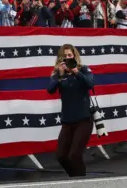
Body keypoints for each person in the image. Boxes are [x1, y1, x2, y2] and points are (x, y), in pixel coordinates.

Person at [47, 44, 94, 177]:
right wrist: (60, 75)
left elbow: (90, 84)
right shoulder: (57, 73)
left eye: (69, 55)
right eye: (64, 56)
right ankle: (75, 178)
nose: (67, 58)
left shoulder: (83, 69)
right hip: (67, 121)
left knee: (74, 155)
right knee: (61, 156)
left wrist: (76, 72)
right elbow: (50, 89)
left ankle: (81, 182)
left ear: (74, 56)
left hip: (84, 120)